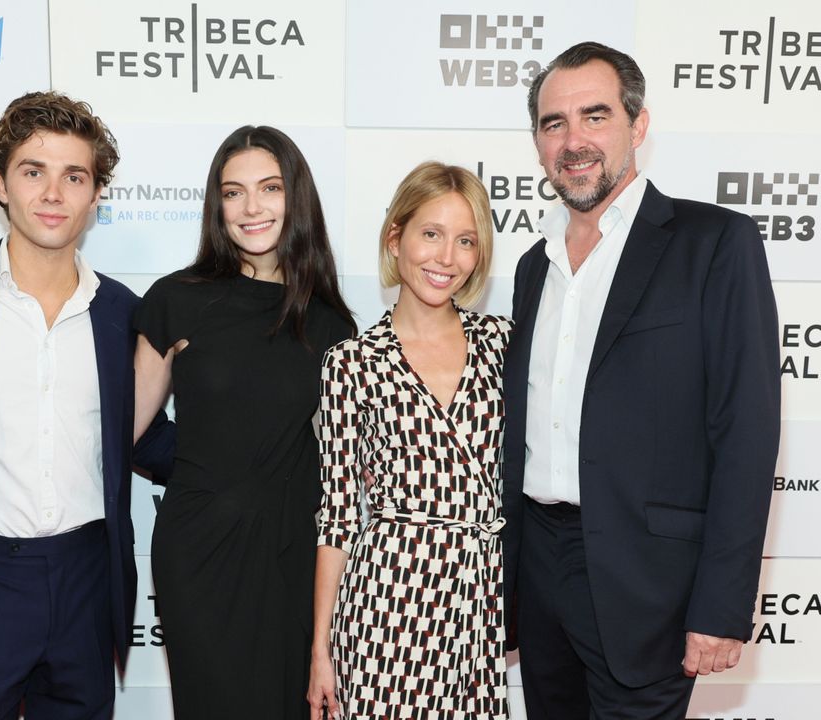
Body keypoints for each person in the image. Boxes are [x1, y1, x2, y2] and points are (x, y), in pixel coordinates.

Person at [502, 41, 780, 719]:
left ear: (638, 125)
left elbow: (745, 433)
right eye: (553, 124)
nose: (573, 142)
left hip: (649, 586)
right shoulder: (531, 267)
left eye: (594, 117)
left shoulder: (714, 243)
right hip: (539, 572)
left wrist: (721, 604)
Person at [0, 91, 173, 720]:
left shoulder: (125, 313)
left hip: (87, 578)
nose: (53, 194)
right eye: (32, 172)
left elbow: (140, 435)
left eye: (74, 176)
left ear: (97, 192)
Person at [134, 125, 356, 720]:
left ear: (297, 198)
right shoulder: (175, 300)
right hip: (200, 552)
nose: (252, 207)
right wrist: (201, 469)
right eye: (234, 192)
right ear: (217, 205)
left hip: (294, 555)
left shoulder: (332, 324)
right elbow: (127, 431)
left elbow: (340, 464)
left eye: (270, 188)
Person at [308, 162, 510, 720]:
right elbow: (338, 514)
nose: (447, 257)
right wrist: (320, 649)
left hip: (479, 599)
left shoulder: (503, 344)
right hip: (387, 601)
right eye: (431, 234)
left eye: (465, 240)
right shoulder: (353, 363)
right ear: (395, 238)